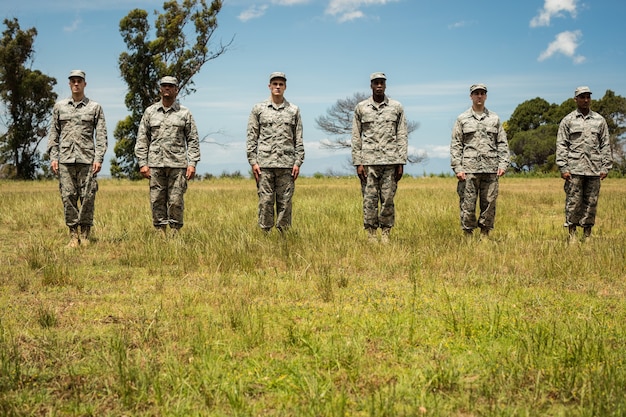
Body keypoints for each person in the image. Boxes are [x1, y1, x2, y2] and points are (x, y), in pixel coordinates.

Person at [47, 70, 108, 247]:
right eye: (73, 81)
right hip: (65, 160)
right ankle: (74, 235)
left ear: (84, 84)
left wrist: (99, 158)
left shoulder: (94, 107)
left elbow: (102, 135)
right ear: (69, 84)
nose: (76, 84)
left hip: (88, 159)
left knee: (88, 197)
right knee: (68, 197)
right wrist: (53, 157)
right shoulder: (59, 107)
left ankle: (86, 234)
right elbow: (54, 134)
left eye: (79, 81)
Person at [134, 76, 201, 236]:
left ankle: (175, 232)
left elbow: (192, 139)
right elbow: (142, 139)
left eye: (171, 86)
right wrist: (143, 163)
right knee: (157, 199)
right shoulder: (150, 112)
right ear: (160, 89)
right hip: (155, 164)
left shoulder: (184, 113)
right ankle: (160, 231)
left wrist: (192, 163)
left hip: (178, 165)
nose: (167, 89)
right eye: (164, 86)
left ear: (176, 90)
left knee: (176, 200)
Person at [351, 72, 408, 243]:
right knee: (369, 199)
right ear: (371, 85)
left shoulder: (396, 107)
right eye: (376, 83)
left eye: (382, 83)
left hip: (390, 162)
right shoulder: (361, 108)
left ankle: (386, 233)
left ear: (385, 85)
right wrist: (358, 162)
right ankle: (371, 234)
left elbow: (402, 135)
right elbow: (356, 136)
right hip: (368, 163)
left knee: (388, 199)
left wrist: (401, 161)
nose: (379, 86)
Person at [246, 72, 304, 233]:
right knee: (265, 202)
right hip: (264, 164)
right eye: (275, 84)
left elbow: (298, 138)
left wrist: (298, 162)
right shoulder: (259, 109)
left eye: (281, 84)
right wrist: (253, 162)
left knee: (285, 202)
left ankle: (284, 236)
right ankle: (265, 234)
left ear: (285, 87)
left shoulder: (293, 110)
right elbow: (252, 136)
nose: (278, 87)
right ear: (269, 86)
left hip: (287, 164)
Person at [450, 83, 510, 238]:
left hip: (490, 169)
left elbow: (502, 142)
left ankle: (485, 235)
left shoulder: (494, 119)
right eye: (476, 93)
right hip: (469, 170)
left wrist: (503, 164)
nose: (479, 96)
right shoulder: (462, 119)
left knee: (489, 204)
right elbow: (456, 144)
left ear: (486, 96)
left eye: (482, 93)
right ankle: (468, 236)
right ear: (471, 96)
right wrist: (457, 167)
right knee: (467, 204)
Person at [556, 86, 612, 243]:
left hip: (594, 169)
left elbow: (605, 144)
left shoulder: (599, 120)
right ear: (576, 99)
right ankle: (572, 235)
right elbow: (561, 144)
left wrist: (605, 166)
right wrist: (563, 167)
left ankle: (587, 235)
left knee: (591, 203)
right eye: (582, 97)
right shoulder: (568, 121)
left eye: (588, 96)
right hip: (574, 169)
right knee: (573, 202)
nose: (585, 100)